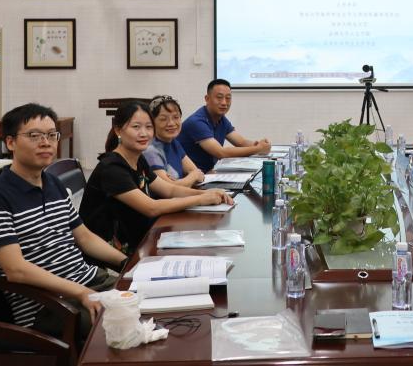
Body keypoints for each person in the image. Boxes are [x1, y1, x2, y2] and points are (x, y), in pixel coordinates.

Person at [0, 103, 126, 342]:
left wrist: (127, 263)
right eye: (34, 135)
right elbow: (16, 270)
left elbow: (85, 237)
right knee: (127, 321)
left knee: (153, 298)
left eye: (51, 135)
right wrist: (81, 292)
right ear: (10, 142)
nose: (46, 142)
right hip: (49, 306)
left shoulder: (53, 183)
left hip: (88, 282)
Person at [80, 101, 233, 254]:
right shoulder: (112, 168)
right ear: (118, 130)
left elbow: (170, 190)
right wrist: (200, 199)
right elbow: (151, 208)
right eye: (136, 127)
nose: (144, 133)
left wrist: (207, 193)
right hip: (111, 253)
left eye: (148, 127)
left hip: (140, 240)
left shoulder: (138, 159)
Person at [177, 79, 271, 173]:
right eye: (219, 97)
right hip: (191, 177)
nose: (224, 103)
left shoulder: (221, 119)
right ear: (207, 99)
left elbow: (241, 142)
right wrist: (258, 149)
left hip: (209, 172)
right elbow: (221, 153)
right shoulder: (197, 122)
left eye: (228, 98)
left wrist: (260, 144)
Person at [143, 95, 205, 187]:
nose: (171, 123)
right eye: (163, 119)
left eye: (176, 117)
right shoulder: (150, 150)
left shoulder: (174, 142)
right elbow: (169, 189)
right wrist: (192, 177)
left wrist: (188, 179)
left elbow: (198, 174)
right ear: (151, 122)